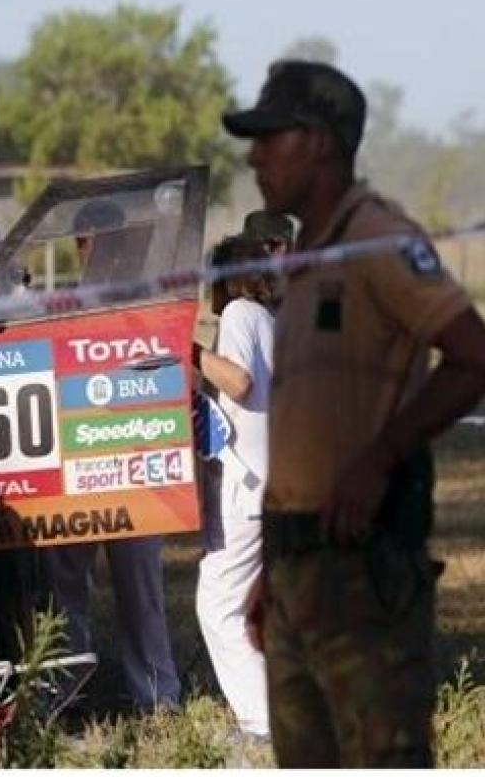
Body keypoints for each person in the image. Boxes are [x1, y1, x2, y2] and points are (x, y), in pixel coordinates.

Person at [223, 60, 485, 767]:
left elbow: (472, 354)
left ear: (317, 142)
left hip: (363, 570)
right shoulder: (306, 258)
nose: (253, 156)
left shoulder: (378, 239)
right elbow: (308, 429)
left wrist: (381, 457)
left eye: (268, 138)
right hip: (297, 572)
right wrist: (275, 567)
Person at [38, 199, 181, 713]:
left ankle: (158, 699)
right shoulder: (56, 307)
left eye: (104, 240)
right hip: (73, 469)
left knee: (140, 590)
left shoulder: (145, 303)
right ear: (78, 246)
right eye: (87, 241)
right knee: (64, 586)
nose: (94, 250)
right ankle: (68, 691)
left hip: (134, 464)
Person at [191, 219, 288, 743]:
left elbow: (239, 380)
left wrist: (192, 354)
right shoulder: (268, 320)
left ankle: (261, 723)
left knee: (218, 607)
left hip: (244, 489)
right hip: (270, 482)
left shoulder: (238, 314)